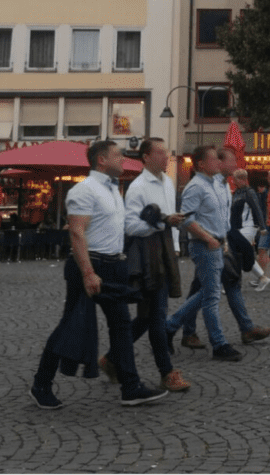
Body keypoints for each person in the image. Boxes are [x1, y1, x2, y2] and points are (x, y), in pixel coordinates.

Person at [30, 140, 167, 409]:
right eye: (118, 155)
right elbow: (77, 232)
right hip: (90, 266)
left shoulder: (115, 189)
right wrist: (89, 272)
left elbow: (126, 226)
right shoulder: (84, 190)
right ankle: (40, 385)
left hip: (114, 266)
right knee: (70, 326)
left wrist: (157, 222)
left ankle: (131, 387)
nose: (124, 159)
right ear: (101, 160)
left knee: (122, 325)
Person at [99, 138, 191, 393]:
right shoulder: (138, 186)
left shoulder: (168, 183)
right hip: (147, 256)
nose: (166, 157)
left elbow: (170, 220)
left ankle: (112, 358)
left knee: (147, 317)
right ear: (147, 157)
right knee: (157, 316)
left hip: (163, 253)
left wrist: (173, 244)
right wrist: (161, 222)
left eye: (167, 153)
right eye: (160, 153)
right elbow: (130, 226)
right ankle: (166, 372)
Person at [166, 146, 270, 362]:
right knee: (211, 296)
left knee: (207, 293)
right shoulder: (196, 187)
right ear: (202, 164)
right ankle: (219, 344)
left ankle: (171, 326)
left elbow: (219, 216)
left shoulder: (215, 183)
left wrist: (222, 239)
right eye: (214, 159)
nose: (219, 163)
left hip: (216, 244)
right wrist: (209, 238)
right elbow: (185, 219)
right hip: (205, 246)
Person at [231, 169, 269, 291]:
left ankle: (235, 283)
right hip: (239, 228)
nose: (233, 181)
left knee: (236, 253)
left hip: (249, 227)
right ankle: (262, 278)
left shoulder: (249, 192)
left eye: (235, 179)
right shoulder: (237, 192)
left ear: (241, 179)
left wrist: (262, 227)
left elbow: (257, 209)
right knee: (242, 254)